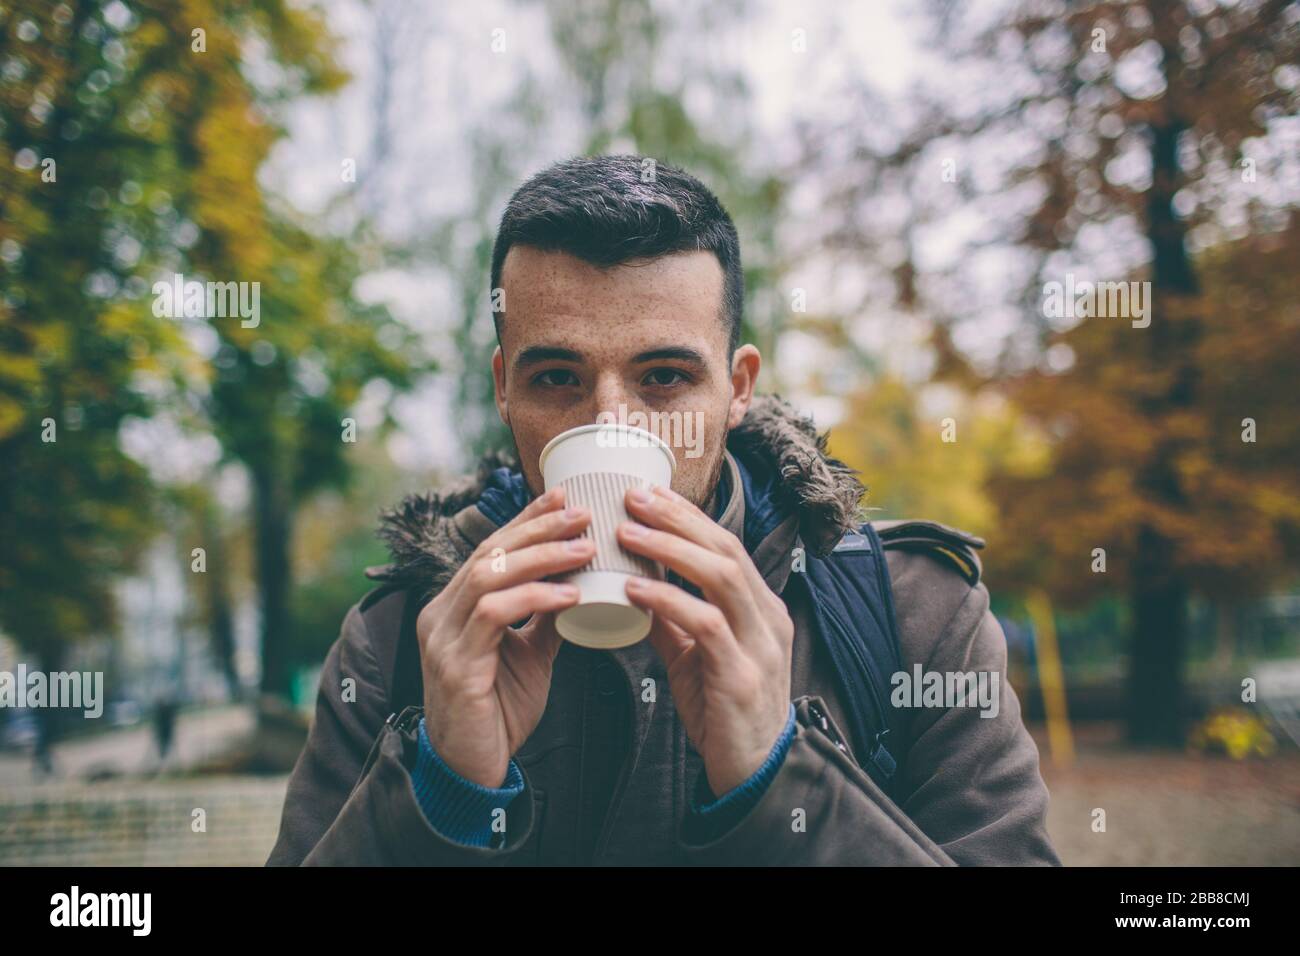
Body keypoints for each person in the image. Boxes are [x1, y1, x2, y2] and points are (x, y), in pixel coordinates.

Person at [267, 155, 1061, 866]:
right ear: (504, 387)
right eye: (557, 380)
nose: (611, 424)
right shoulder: (402, 637)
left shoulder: (914, 616)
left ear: (738, 387)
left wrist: (779, 784)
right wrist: (445, 799)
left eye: (665, 377)